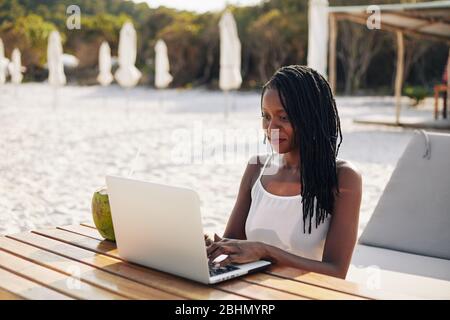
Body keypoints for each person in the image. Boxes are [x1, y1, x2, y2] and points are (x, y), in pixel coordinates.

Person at [206, 65, 362, 279]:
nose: (271, 128)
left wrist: (265, 251)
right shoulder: (256, 169)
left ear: (311, 117)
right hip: (253, 293)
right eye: (266, 116)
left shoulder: (343, 177)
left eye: (284, 118)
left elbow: (336, 271)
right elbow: (230, 246)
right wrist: (208, 248)